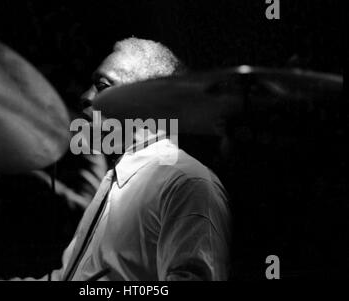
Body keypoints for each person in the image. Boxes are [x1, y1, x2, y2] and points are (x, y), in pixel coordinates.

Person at [51, 37, 232, 281]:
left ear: (151, 101)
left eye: (103, 85)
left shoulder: (187, 181)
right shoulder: (115, 180)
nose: (86, 96)